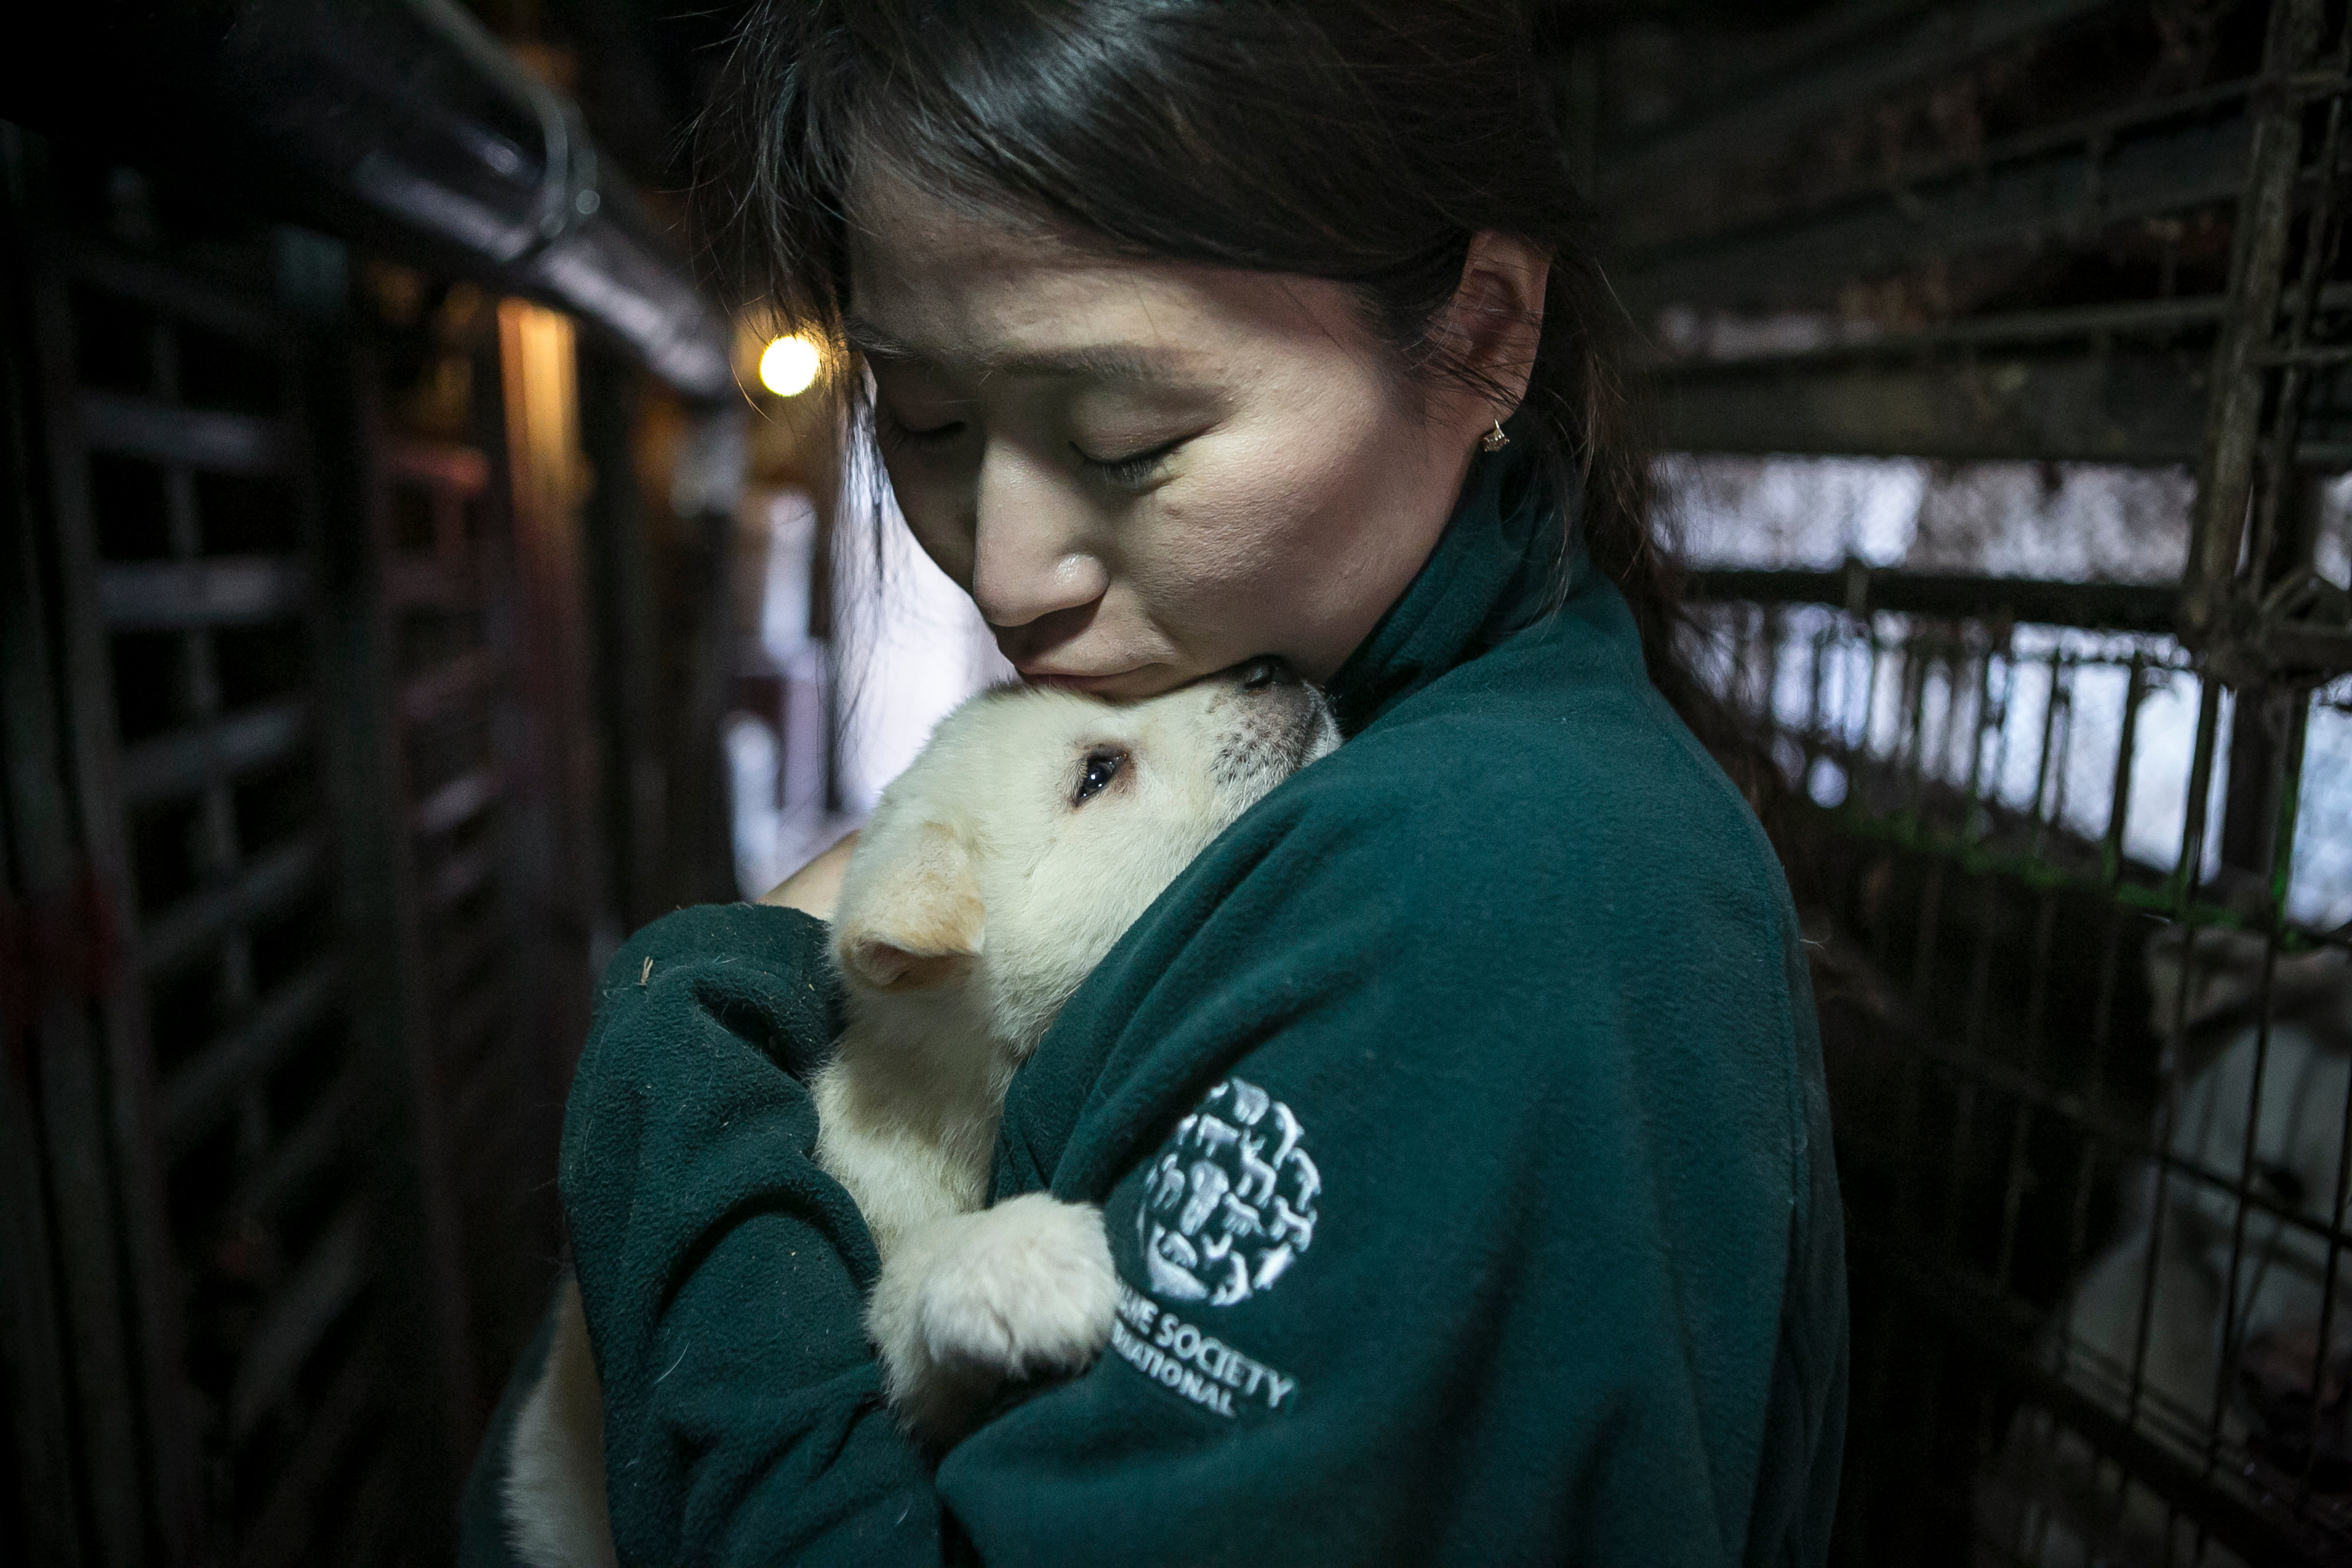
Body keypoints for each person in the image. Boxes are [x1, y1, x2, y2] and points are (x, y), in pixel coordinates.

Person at [460, 2, 1847, 1562]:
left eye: (1127, 439)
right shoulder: (1383, 735)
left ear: (1483, 337)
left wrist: (684, 1044)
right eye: (925, 421)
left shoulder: (1479, 892)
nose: (1002, 572)